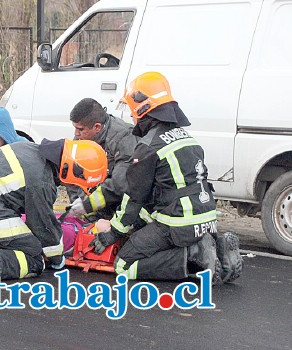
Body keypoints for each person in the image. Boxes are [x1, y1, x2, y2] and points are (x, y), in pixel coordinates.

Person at [86, 71, 243, 284]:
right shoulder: (188, 139)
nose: (131, 116)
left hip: (178, 223)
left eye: (132, 109)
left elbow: (134, 197)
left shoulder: (149, 147)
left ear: (142, 107)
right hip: (206, 219)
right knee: (142, 230)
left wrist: (112, 233)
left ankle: (193, 256)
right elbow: (163, 192)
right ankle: (221, 253)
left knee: (125, 265)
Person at [0, 139, 108, 283]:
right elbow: (43, 227)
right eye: (76, 184)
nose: (73, 187)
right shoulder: (42, 179)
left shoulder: (28, 149)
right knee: (34, 257)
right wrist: (57, 258)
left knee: (20, 241)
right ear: (70, 170)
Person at [66, 98, 137, 221]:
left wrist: (87, 205)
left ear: (97, 127)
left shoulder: (123, 138)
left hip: (119, 205)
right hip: (96, 201)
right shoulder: (81, 138)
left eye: (80, 129)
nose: (76, 134)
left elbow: (120, 183)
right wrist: (78, 203)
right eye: (75, 128)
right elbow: (71, 174)